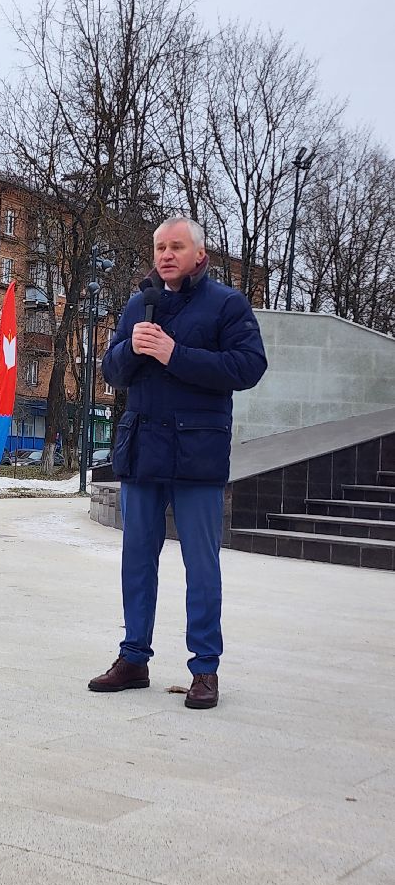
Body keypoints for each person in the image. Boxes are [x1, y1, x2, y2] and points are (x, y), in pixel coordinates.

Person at [89, 217, 267, 708]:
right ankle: (133, 658)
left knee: (201, 566)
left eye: (177, 247)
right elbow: (111, 370)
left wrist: (176, 354)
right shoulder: (139, 303)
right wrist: (131, 349)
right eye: (160, 247)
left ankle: (205, 668)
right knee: (136, 560)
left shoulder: (227, 304)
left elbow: (249, 366)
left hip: (197, 456)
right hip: (143, 451)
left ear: (199, 254)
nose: (166, 255)